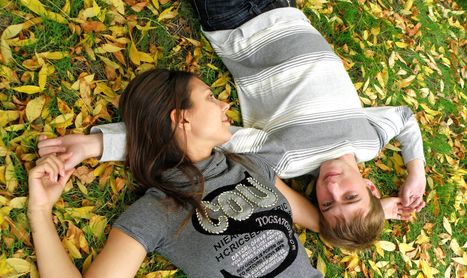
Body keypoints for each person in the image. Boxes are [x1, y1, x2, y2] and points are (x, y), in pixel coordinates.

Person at [29, 67, 380, 278]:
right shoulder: (157, 211)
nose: (225, 105)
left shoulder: (251, 166)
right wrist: (40, 211)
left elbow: (318, 220)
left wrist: (375, 209)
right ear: (181, 118)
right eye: (211, 97)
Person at [38, 1, 426, 250]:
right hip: (286, 9)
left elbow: (193, 136)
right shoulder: (371, 140)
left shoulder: (285, 158)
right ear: (370, 185)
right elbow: (406, 119)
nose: (333, 187)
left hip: (237, 23)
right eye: (351, 196)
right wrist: (416, 173)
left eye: (326, 202)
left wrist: (95, 146)